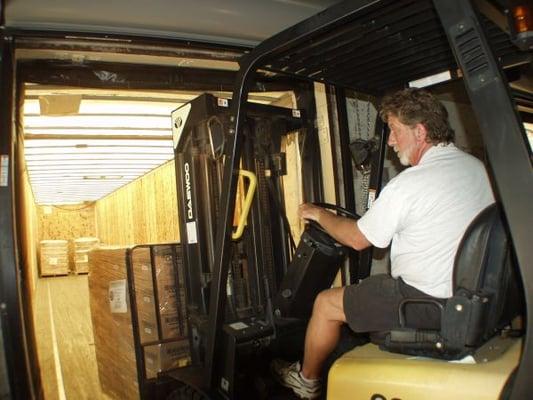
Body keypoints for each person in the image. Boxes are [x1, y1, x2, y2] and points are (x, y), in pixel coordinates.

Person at [270, 88, 495, 399]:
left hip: (426, 302)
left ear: (420, 131)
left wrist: (318, 214)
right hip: (467, 295)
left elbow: (356, 239)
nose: (390, 141)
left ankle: (304, 381)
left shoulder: (410, 183)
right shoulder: (474, 167)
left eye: (395, 130)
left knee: (325, 303)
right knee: (373, 284)